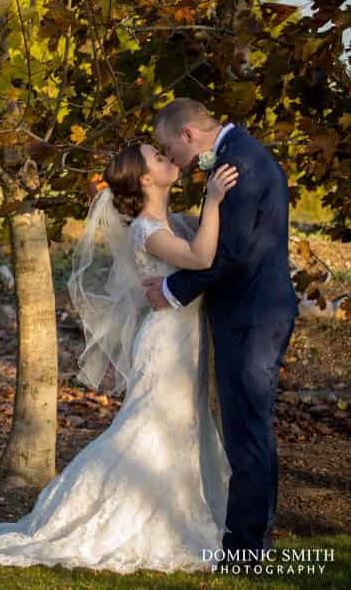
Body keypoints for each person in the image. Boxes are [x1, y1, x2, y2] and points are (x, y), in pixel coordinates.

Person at [0, 138, 239, 574]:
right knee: (152, 427)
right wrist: (215, 198)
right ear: (146, 178)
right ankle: (112, 511)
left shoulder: (169, 222)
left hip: (185, 340)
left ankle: (181, 516)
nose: (168, 158)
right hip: (166, 343)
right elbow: (202, 257)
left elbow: (206, 248)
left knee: (182, 426)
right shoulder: (148, 228)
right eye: (159, 158)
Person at [144, 98, 298, 555]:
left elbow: (230, 254)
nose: (170, 157)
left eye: (168, 146)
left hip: (252, 317)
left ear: (188, 135)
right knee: (247, 428)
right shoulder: (238, 157)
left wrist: (171, 289)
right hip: (249, 313)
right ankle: (252, 540)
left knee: (247, 431)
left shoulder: (240, 166)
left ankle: (248, 548)